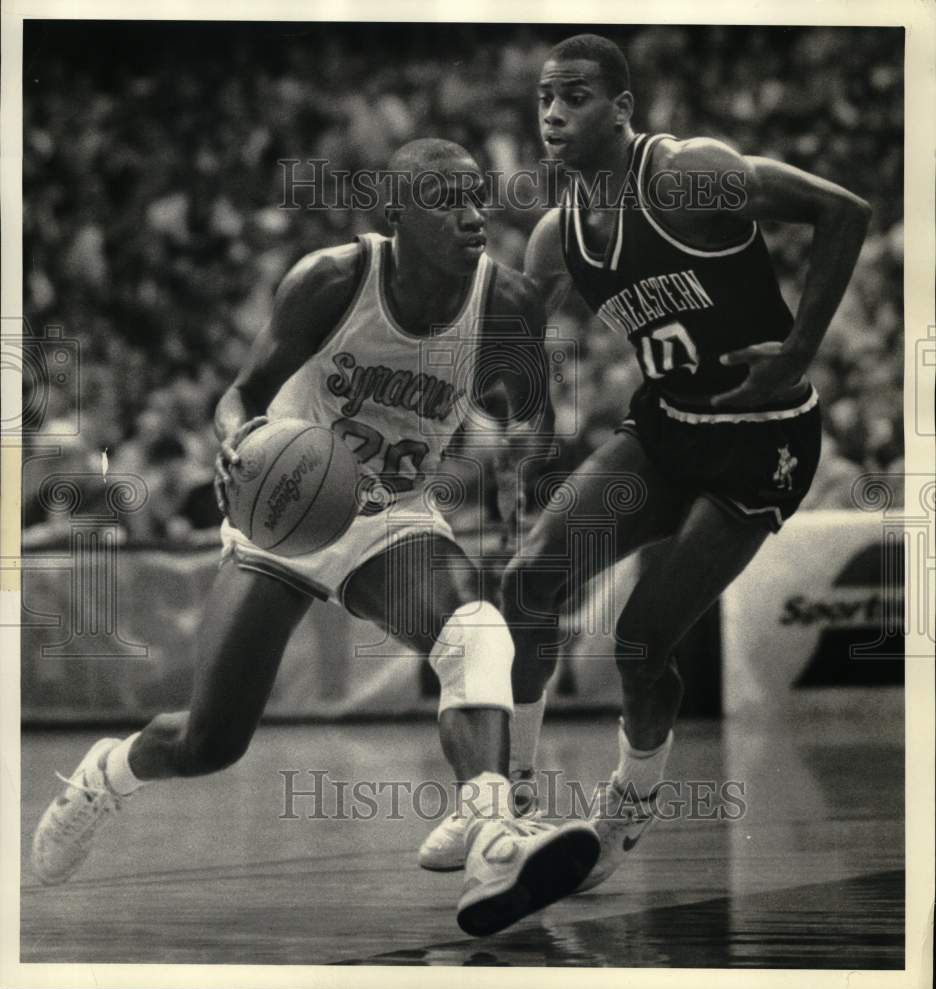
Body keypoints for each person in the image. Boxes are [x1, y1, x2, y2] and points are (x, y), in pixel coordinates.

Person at [31, 138, 600, 938]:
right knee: (209, 742)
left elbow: (529, 411)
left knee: (474, 630)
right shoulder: (331, 280)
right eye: (444, 199)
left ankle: (493, 827)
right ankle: (106, 775)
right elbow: (241, 394)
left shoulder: (502, 303)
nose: (472, 214)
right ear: (396, 212)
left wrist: (521, 478)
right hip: (289, 510)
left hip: (392, 516)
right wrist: (237, 439)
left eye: (477, 197)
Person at [422, 33, 872, 887]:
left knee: (640, 646)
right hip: (665, 429)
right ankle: (509, 807)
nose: (553, 112)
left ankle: (625, 811)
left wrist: (798, 349)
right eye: (545, 97)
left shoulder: (686, 174)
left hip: (764, 435)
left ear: (622, 108)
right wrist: (523, 424)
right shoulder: (556, 240)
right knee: (527, 581)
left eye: (576, 95)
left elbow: (844, 210)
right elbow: (509, 353)